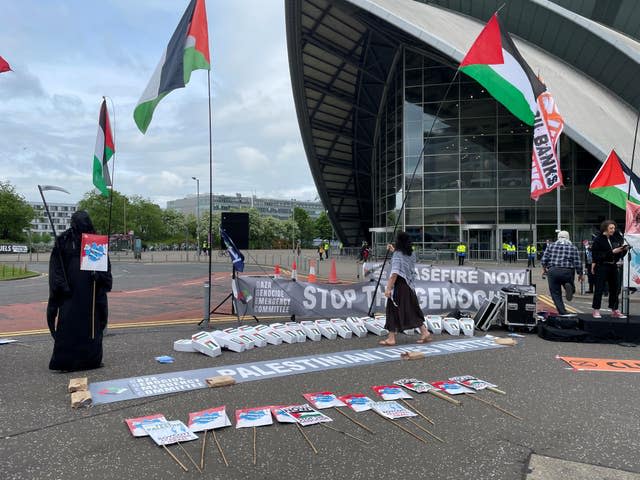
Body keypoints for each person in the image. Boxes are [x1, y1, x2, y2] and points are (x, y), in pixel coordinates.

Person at [47, 211, 113, 371]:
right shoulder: (63, 240)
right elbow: (56, 267)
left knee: (92, 327)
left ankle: (91, 360)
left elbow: (104, 265)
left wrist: (101, 277)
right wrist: (62, 285)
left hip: (91, 292)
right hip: (70, 292)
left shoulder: (95, 241)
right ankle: (66, 361)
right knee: (68, 326)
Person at [380, 231, 432, 346]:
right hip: (408, 286)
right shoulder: (411, 253)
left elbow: (395, 273)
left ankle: (392, 338)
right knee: (411, 309)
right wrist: (393, 250)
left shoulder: (398, 254)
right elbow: (402, 259)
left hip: (399, 287)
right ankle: (424, 332)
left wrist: (388, 288)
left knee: (393, 310)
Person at [591, 220, 629, 318]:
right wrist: (612, 252)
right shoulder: (598, 240)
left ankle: (614, 309)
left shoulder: (613, 239)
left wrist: (623, 250)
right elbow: (596, 256)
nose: (613, 230)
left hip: (613, 266)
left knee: (615, 288)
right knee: (599, 288)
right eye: (611, 228)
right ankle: (596, 310)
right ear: (605, 228)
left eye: (614, 228)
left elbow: (617, 254)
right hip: (602, 266)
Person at [540, 230, 582, 316]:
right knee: (569, 284)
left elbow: (544, 260)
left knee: (555, 293)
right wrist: (580, 274)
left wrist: (544, 270)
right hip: (567, 271)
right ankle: (569, 287)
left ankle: (562, 312)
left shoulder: (551, 246)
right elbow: (577, 262)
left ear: (558, 237)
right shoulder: (573, 247)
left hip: (553, 270)